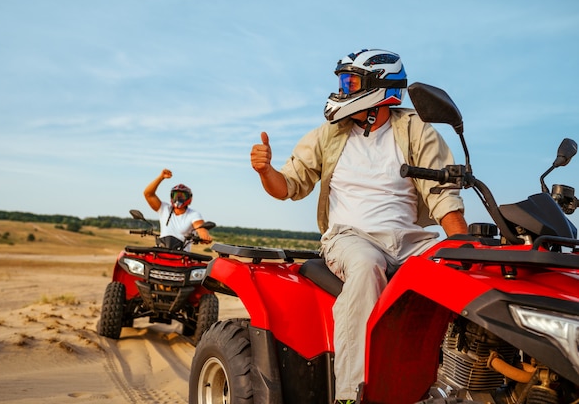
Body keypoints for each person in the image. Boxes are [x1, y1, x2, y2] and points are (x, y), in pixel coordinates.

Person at [250, 49, 467, 403]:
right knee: (367, 268)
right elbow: (287, 186)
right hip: (350, 238)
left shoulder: (416, 129)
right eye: (343, 82)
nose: (343, 90)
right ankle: (350, 395)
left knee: (464, 275)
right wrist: (266, 171)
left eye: (350, 82)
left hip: (410, 241)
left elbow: (443, 195)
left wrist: (466, 250)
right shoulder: (328, 134)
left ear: (379, 90)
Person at [143, 169, 212, 251]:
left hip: (182, 255)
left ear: (189, 198)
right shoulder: (164, 208)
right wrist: (161, 177)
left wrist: (203, 234)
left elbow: (200, 226)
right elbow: (148, 194)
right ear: (171, 196)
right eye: (176, 195)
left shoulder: (193, 214)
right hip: (161, 250)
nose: (178, 198)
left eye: (182, 196)